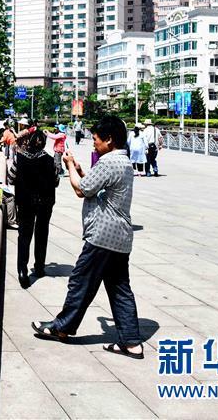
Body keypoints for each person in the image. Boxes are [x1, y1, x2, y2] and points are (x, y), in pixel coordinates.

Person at [31, 115, 144, 360]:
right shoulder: (123, 160)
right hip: (120, 237)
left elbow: (82, 189)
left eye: (96, 139)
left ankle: (61, 327)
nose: (94, 143)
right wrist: (81, 170)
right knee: (120, 289)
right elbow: (98, 187)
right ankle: (132, 342)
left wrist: (70, 166)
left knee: (80, 281)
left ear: (109, 139)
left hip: (103, 235)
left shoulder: (108, 161)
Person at [14, 130, 59, 288]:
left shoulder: (19, 158)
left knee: (24, 236)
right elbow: (56, 181)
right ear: (44, 144)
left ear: (29, 142)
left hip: (25, 202)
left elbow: (11, 177)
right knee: (42, 233)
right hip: (45, 202)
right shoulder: (50, 159)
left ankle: (22, 271)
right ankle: (39, 267)